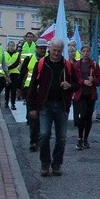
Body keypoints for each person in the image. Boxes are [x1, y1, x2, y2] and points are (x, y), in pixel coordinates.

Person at [27, 37, 78, 176]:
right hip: (45, 106)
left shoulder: (67, 65)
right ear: (49, 49)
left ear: (62, 51)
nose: (56, 53)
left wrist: (70, 86)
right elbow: (33, 86)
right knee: (44, 134)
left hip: (62, 106)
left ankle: (56, 164)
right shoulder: (41, 64)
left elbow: (76, 83)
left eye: (59, 51)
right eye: (54, 50)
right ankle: (45, 163)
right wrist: (32, 107)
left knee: (61, 137)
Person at [19, 39, 48, 152]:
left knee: (43, 118)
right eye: (41, 48)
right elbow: (22, 74)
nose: (42, 50)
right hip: (30, 91)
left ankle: (41, 140)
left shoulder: (48, 60)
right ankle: (33, 141)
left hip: (44, 93)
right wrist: (19, 89)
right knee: (32, 118)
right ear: (36, 48)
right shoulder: (29, 59)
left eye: (44, 48)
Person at [72, 44, 100, 149]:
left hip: (91, 94)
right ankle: (79, 138)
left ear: (90, 53)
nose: (85, 53)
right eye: (83, 51)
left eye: (87, 51)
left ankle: (86, 139)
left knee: (89, 117)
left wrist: (93, 80)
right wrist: (84, 81)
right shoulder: (76, 65)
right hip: (80, 94)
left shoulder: (94, 65)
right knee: (83, 116)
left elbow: (99, 80)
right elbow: (75, 79)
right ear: (80, 53)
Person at [4, 41, 21, 110]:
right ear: (8, 46)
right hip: (7, 74)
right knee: (7, 89)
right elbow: (3, 62)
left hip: (14, 73)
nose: (11, 47)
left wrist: (7, 68)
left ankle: (13, 104)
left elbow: (17, 63)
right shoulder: (4, 53)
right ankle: (6, 103)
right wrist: (5, 70)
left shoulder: (17, 54)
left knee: (13, 90)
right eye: (10, 45)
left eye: (12, 46)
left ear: (14, 46)